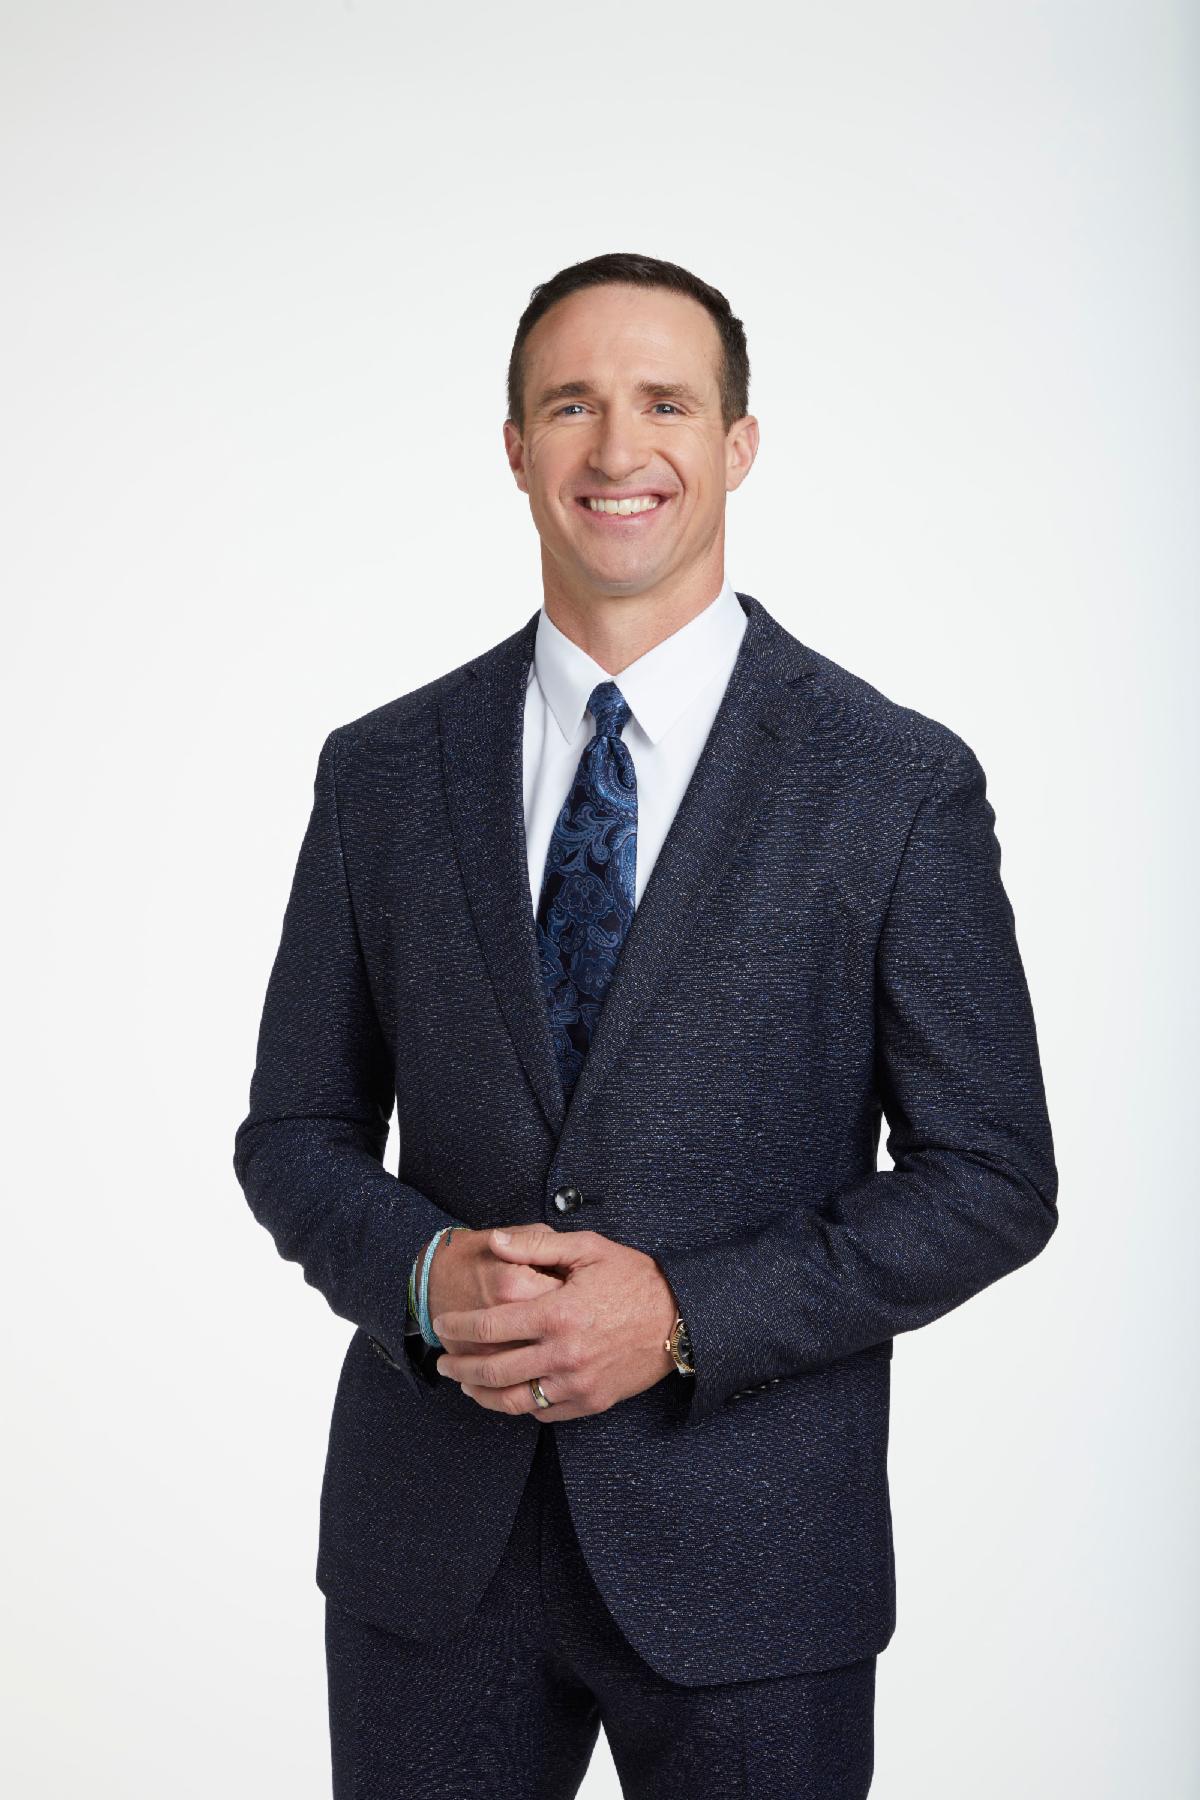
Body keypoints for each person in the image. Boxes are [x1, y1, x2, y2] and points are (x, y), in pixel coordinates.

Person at [232, 250, 1058, 1799]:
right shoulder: (382, 773)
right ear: (515, 447)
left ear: (737, 444)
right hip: (429, 1558)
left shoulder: (893, 784)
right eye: (572, 405)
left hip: (757, 1563)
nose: (618, 447)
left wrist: (683, 1313)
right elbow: (294, 1133)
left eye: (665, 403)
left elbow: (993, 1178)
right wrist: (422, 1275)